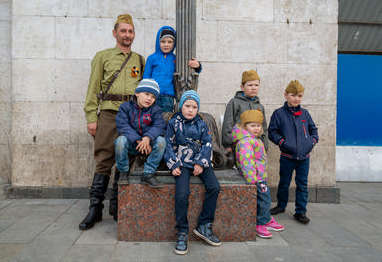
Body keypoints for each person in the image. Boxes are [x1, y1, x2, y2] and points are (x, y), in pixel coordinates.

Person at [80, 14, 145, 230]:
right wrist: (92, 117)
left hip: (131, 116)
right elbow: (92, 89)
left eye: (131, 31)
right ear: (115, 33)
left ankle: (117, 206)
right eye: (123, 31)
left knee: (125, 158)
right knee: (104, 159)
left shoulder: (139, 60)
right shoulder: (103, 57)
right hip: (108, 115)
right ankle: (95, 209)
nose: (127, 35)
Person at [164, 90, 221, 255]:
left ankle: (204, 225)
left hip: (199, 163)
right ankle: (182, 232)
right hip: (182, 163)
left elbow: (207, 144)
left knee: (214, 187)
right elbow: (168, 144)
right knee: (182, 193)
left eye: (194, 107)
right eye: (187, 106)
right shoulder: (174, 123)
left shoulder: (202, 124)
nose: (190, 110)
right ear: (181, 106)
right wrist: (173, 163)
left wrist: (201, 162)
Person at [268, 80, 319, 224]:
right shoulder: (279, 114)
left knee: (302, 183)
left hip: (304, 157)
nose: (296, 98)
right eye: (293, 95)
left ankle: (301, 211)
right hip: (287, 156)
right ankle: (281, 205)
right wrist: (283, 143)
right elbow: (272, 132)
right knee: (284, 182)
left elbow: (313, 130)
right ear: (286, 95)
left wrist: (312, 142)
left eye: (300, 96)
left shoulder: (305, 113)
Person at [231, 110, 285, 238]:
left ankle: (266, 219)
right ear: (245, 126)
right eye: (252, 125)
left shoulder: (253, 139)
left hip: (259, 176)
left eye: (258, 125)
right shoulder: (245, 141)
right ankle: (260, 223)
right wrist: (252, 179)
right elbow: (246, 160)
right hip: (255, 178)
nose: (256, 128)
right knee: (262, 200)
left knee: (265, 199)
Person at [114, 78, 165, 188]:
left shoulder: (155, 109)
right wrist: (137, 140)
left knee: (161, 141)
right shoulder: (125, 107)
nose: (149, 99)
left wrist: (147, 138)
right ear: (137, 93)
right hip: (133, 144)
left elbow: (159, 125)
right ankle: (123, 172)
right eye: (147, 94)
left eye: (153, 97)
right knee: (120, 141)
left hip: (148, 145)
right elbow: (123, 125)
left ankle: (148, 173)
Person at [143, 26, 202, 112]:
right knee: (150, 118)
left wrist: (198, 66)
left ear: (174, 43)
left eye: (170, 42)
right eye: (163, 41)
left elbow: (189, 68)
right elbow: (146, 77)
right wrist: (145, 93)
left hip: (168, 97)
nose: (166, 44)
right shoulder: (152, 58)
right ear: (158, 42)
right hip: (152, 95)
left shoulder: (177, 58)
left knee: (166, 118)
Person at [222, 70, 269, 154]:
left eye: (256, 85)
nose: (254, 88)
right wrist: (228, 145)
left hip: (256, 147)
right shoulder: (234, 103)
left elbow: (264, 127)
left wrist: (265, 147)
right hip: (239, 146)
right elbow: (228, 124)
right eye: (250, 85)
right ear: (242, 87)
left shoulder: (259, 106)